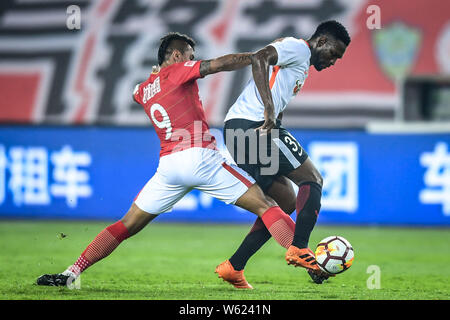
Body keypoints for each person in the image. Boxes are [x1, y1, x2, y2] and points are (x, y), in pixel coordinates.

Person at [36, 32, 312, 287]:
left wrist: (154, 76)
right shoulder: (177, 71)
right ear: (177, 55)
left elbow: (137, 91)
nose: (193, 59)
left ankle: (72, 272)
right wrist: (253, 58)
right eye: (190, 54)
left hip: (169, 167)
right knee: (268, 205)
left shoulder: (143, 89)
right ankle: (304, 254)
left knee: (125, 225)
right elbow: (218, 64)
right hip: (200, 158)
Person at [215, 20, 351, 288]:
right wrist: (268, 110)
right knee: (313, 179)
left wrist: (274, 111)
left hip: (241, 132)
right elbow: (259, 58)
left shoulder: (300, 67)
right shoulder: (298, 49)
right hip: (252, 126)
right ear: (321, 41)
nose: (334, 61)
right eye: (334, 53)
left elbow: (276, 94)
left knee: (285, 203)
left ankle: (234, 266)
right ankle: (299, 247)